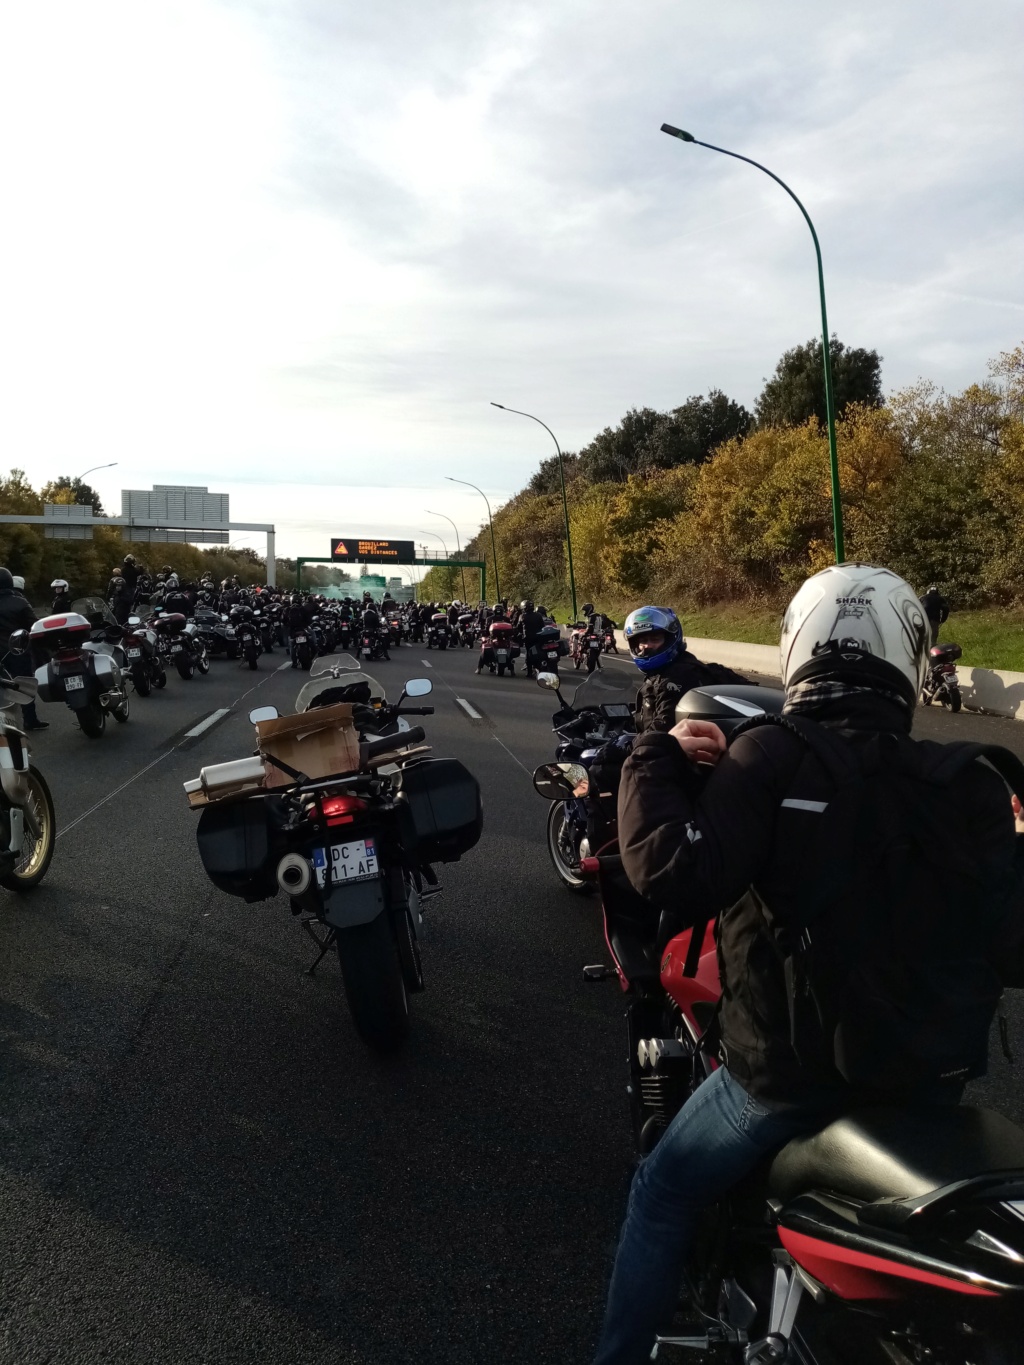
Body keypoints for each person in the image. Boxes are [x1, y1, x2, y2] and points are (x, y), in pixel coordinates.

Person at [593, 563, 1024, 1364]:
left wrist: (653, 756)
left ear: (799, 648)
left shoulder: (769, 757)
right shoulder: (970, 786)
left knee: (659, 1193)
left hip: (782, 1082)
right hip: (926, 1083)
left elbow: (669, 869)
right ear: (909, 652)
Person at [624, 606, 748, 734]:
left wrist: (624, 747)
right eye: (642, 641)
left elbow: (662, 730)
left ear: (670, 638)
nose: (648, 646)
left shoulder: (677, 676)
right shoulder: (670, 669)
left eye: (655, 639)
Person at [0, 568, 47, 730]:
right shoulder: (20, 601)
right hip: (17, 649)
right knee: (23, 684)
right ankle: (29, 719)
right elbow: (34, 625)